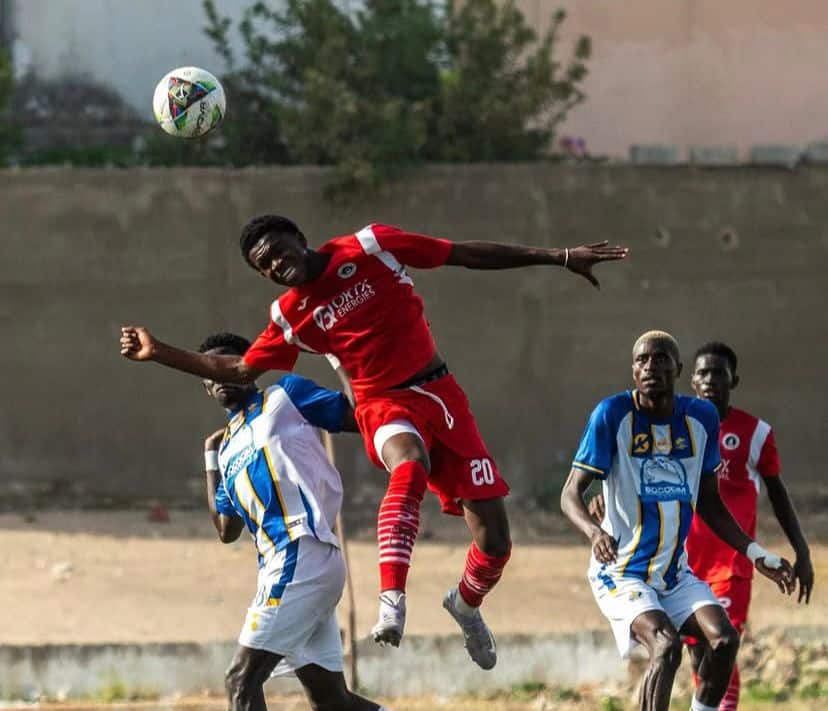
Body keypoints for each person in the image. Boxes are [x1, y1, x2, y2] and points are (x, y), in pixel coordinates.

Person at [120, 216, 628, 669]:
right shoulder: (290, 315)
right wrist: (158, 350)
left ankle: (466, 604)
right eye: (265, 265)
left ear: (300, 238)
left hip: (441, 394)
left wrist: (559, 257)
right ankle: (392, 602)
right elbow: (237, 367)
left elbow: (462, 254)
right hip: (381, 405)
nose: (277, 264)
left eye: (279, 250)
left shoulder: (369, 246)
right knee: (408, 466)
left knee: (495, 541)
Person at [560, 331, 794, 711]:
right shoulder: (612, 414)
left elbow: (710, 503)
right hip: (621, 572)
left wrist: (755, 553)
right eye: (642, 360)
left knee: (724, 641)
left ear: (677, 369)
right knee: (666, 647)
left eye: (660, 359)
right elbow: (570, 493)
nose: (651, 366)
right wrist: (592, 530)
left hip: (673, 574)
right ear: (633, 370)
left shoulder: (701, 419)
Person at [197, 332, 389, 711]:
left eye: (225, 366)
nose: (218, 378)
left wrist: (341, 361)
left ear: (247, 367)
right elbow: (225, 528)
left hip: (302, 552)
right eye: (208, 373)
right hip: (280, 567)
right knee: (333, 702)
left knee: (240, 679)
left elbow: (356, 416)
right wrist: (210, 458)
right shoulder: (229, 445)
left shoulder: (284, 396)